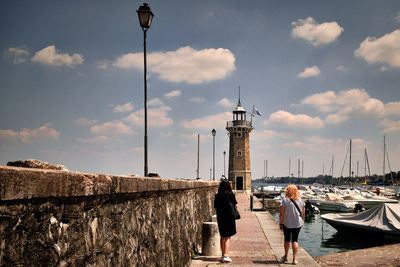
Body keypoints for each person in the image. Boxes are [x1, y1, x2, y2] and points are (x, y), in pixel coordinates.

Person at [279, 184, 305, 265]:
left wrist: (281, 223)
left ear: (288, 191)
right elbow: (303, 213)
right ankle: (294, 260)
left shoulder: (285, 201)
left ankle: (286, 256)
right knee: (295, 240)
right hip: (298, 223)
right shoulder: (301, 200)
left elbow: (282, 214)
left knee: (287, 239)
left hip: (287, 223)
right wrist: (302, 221)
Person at [214, 179, 238, 263]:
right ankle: (225, 255)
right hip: (229, 217)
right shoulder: (231, 194)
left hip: (220, 217)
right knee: (228, 237)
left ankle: (222, 255)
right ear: (229, 186)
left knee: (222, 236)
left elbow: (215, 206)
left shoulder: (217, 195)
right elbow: (235, 204)